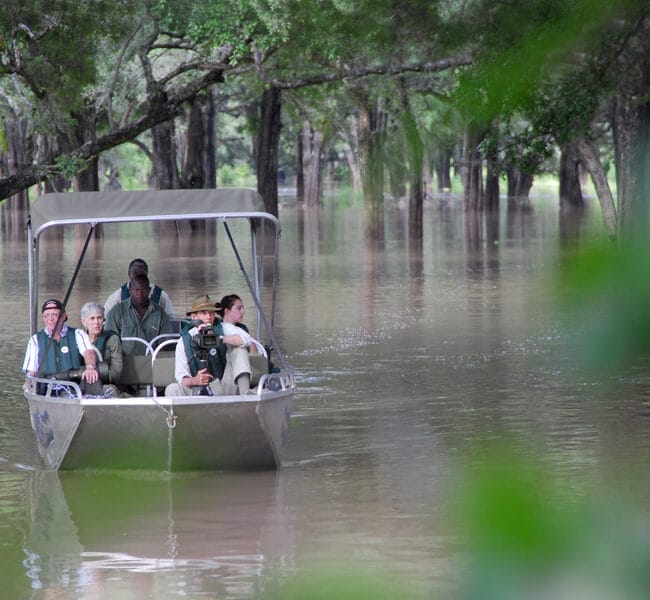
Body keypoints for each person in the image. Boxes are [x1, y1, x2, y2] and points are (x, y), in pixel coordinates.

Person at [165, 293, 258, 397]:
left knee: (239, 350)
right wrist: (195, 380)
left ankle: (246, 396)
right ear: (194, 316)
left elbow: (246, 339)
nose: (209, 317)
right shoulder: (184, 341)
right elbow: (181, 377)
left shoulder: (222, 328)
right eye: (204, 313)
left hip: (223, 387)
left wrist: (220, 339)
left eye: (211, 313)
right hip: (197, 390)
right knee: (172, 389)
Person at [23, 298, 100, 395]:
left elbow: (88, 352)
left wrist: (90, 368)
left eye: (54, 315)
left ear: (63, 317)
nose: (50, 319)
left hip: (75, 386)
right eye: (46, 316)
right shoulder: (35, 340)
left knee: (93, 378)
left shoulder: (78, 334)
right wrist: (28, 383)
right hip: (47, 389)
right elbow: (31, 371)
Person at [105, 274, 173, 355]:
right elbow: (109, 340)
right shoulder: (116, 312)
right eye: (136, 290)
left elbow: (166, 341)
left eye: (143, 290)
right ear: (130, 290)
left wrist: (155, 358)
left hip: (152, 360)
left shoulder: (160, 313)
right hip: (124, 361)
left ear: (149, 290)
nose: (140, 294)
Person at [104, 258, 176, 318]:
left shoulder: (160, 295)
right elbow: (105, 317)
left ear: (147, 274)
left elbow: (171, 318)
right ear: (129, 274)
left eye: (142, 273)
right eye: (135, 273)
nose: (138, 276)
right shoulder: (118, 296)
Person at [80, 302, 123, 396]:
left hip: (106, 383)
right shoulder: (77, 339)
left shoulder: (113, 339)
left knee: (109, 391)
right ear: (84, 322)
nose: (96, 322)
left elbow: (116, 372)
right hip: (81, 382)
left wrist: (94, 375)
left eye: (99, 318)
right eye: (92, 318)